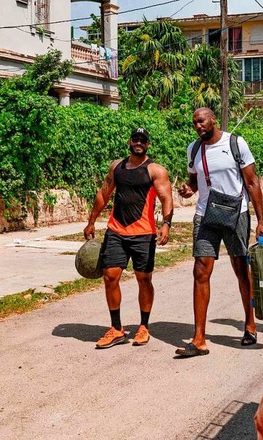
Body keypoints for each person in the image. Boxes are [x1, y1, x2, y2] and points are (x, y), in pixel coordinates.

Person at [175, 108, 263, 357]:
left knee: (241, 270)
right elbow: (194, 181)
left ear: (213, 119)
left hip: (236, 214)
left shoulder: (236, 144)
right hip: (206, 215)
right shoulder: (193, 149)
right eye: (194, 122)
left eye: (201, 121)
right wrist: (188, 190)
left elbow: (251, 182)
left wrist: (260, 220)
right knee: (201, 270)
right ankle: (199, 339)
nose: (197, 126)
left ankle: (250, 324)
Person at [83, 127, 173, 349]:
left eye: (143, 140)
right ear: (129, 141)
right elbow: (104, 193)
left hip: (142, 233)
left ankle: (143, 326)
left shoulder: (155, 171)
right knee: (110, 277)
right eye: (135, 139)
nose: (138, 142)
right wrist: (91, 220)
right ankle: (116, 329)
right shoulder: (117, 167)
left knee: (144, 279)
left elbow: (166, 198)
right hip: (116, 230)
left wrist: (166, 224)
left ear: (148, 144)